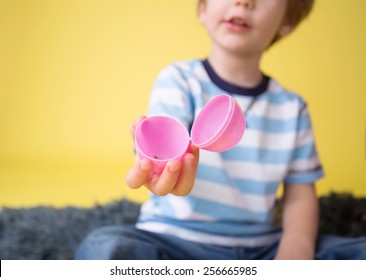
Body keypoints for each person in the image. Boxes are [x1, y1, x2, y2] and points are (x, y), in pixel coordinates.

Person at [75, 0, 366, 259]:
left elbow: (300, 195)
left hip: (261, 248)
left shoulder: (293, 108)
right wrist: (160, 168)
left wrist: (296, 248)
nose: (244, 2)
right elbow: (161, 147)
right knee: (105, 247)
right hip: (174, 240)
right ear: (203, 8)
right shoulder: (178, 80)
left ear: (286, 22)